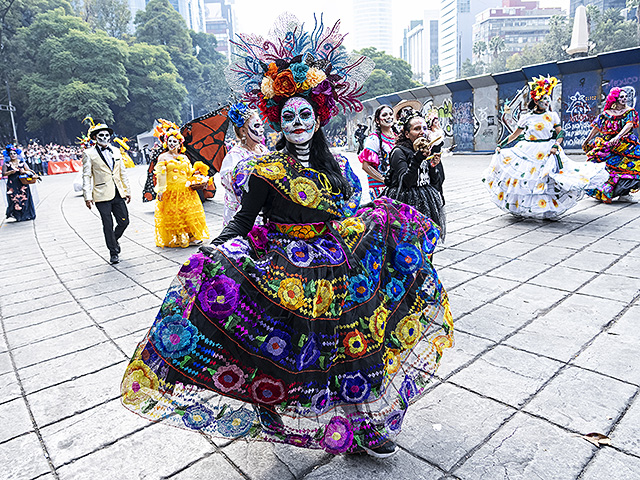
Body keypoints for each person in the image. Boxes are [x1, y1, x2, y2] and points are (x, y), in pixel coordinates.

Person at [120, 13, 453, 459]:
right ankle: (278, 406)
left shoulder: (337, 163)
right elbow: (242, 221)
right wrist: (219, 246)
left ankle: (366, 421)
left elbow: (347, 210)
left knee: (355, 345)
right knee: (295, 349)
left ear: (318, 118)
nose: (298, 122)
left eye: (306, 114)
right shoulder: (263, 170)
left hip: (339, 263)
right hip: (287, 268)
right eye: (289, 115)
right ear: (278, 121)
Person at [482, 75, 608, 219]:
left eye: (548, 99)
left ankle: (548, 209)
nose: (547, 102)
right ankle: (526, 208)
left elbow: (561, 133)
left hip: (548, 151)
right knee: (527, 180)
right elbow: (515, 135)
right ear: (536, 101)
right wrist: (501, 145)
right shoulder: (526, 117)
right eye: (544, 99)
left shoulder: (552, 116)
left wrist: (555, 145)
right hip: (528, 150)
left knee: (548, 180)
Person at [383, 107, 446, 240]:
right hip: (406, 203)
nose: (422, 132)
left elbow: (435, 181)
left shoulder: (427, 149)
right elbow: (406, 181)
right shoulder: (398, 152)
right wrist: (417, 159)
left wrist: (434, 166)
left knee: (427, 242)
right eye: (417, 129)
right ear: (407, 133)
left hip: (426, 201)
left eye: (424, 128)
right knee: (409, 245)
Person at [152, 120, 210, 248]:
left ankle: (193, 237)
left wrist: (198, 176)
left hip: (186, 190)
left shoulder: (184, 157)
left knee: (189, 213)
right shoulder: (163, 157)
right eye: (170, 141)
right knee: (175, 214)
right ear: (166, 143)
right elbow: (160, 175)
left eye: (175, 141)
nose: (172, 144)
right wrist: (160, 190)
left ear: (180, 144)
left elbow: (189, 173)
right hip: (171, 190)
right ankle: (178, 237)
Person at [82, 122, 131, 264]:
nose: (104, 137)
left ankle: (114, 240)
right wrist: (87, 196)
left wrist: (127, 191)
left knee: (124, 221)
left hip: (117, 192)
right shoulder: (89, 153)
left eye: (106, 135)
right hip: (101, 193)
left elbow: (122, 172)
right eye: (101, 135)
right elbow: (86, 175)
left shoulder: (116, 151)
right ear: (95, 138)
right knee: (107, 223)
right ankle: (113, 252)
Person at [582, 87, 640, 203]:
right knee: (605, 169)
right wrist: (587, 140)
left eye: (626, 97)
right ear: (615, 99)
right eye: (621, 97)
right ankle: (605, 191)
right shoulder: (606, 114)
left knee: (630, 168)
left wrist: (618, 137)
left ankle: (624, 193)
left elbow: (629, 125)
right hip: (607, 144)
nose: (624, 99)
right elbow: (596, 128)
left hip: (625, 145)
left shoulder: (630, 112)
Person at [219, 102, 269, 226]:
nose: (261, 129)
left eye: (261, 125)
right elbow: (231, 183)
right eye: (256, 126)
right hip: (243, 213)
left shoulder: (263, 149)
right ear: (243, 131)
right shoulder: (235, 155)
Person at [358, 105, 396, 200]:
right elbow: (365, 166)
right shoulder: (373, 138)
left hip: (395, 186)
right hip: (380, 188)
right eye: (384, 115)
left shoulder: (397, 136)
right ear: (377, 121)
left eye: (391, 114)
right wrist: (383, 179)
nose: (389, 117)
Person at [3, 145, 37, 222]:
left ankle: (26, 214)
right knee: (14, 199)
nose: (13, 155)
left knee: (25, 198)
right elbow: (4, 174)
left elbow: (29, 171)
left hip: (22, 183)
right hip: (12, 183)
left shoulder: (22, 163)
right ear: (8, 155)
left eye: (14, 153)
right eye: (11, 154)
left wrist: (23, 171)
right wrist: (11, 172)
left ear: (17, 154)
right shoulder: (6, 164)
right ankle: (17, 215)